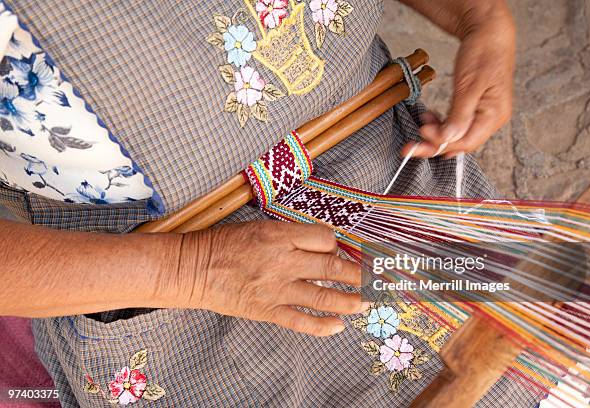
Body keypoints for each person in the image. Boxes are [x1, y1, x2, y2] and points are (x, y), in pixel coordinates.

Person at [0, 0, 523, 406]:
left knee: (534, 355)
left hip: (376, 149)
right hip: (159, 275)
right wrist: (192, 270)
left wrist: (481, 16)